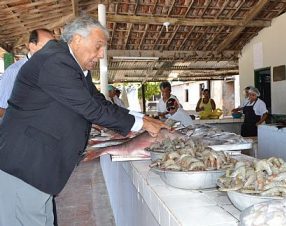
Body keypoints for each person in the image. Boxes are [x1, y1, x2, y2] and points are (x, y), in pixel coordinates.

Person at [0, 16, 168, 226]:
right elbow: (90, 108)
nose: (101, 54)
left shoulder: (74, 67)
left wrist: (143, 118)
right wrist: (141, 125)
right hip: (24, 165)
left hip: (39, 168)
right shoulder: (55, 61)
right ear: (77, 40)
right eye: (98, 46)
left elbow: (98, 101)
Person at [0, 28, 55, 120]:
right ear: (32, 46)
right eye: (47, 47)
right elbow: (1, 109)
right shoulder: (15, 71)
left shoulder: (48, 70)